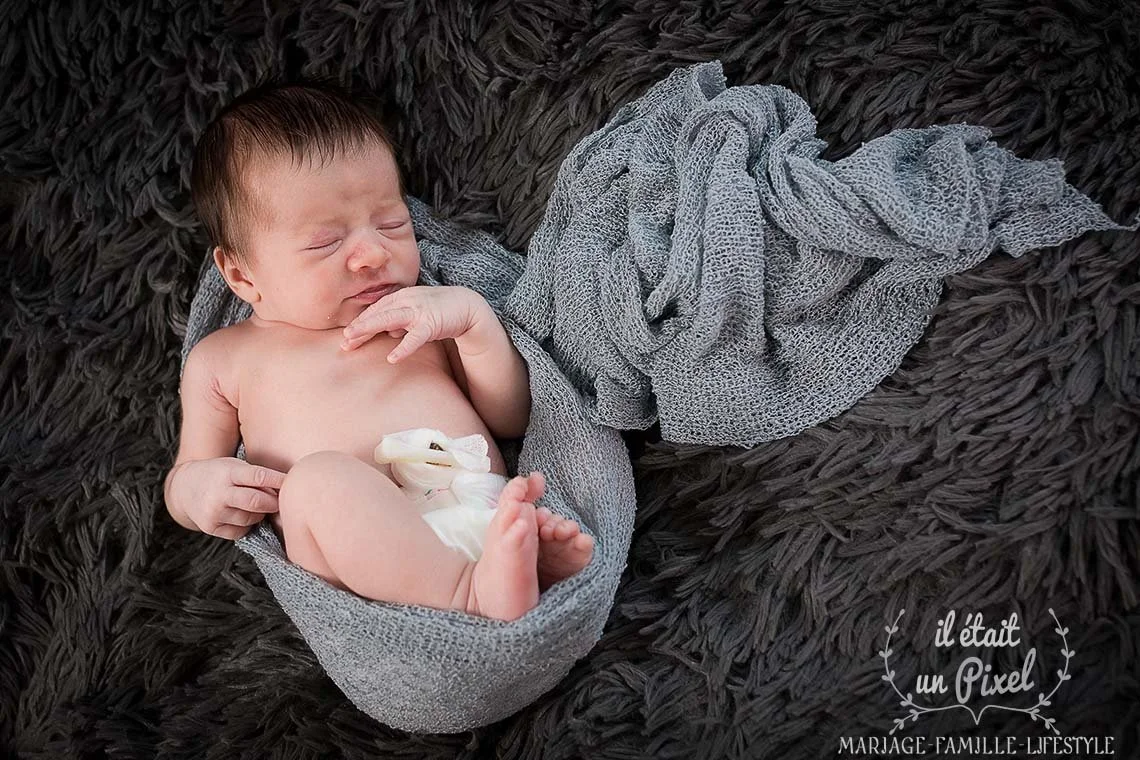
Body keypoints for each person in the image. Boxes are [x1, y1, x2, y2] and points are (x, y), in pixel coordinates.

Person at [164, 79, 593, 621]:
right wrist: (198, 491)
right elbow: (186, 477)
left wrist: (474, 325)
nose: (372, 253)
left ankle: (515, 561)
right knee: (315, 485)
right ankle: (470, 594)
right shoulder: (223, 359)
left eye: (393, 224)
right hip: (359, 555)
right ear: (242, 274)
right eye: (325, 242)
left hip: (476, 504)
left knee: (508, 509)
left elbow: (511, 420)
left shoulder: (417, 315)